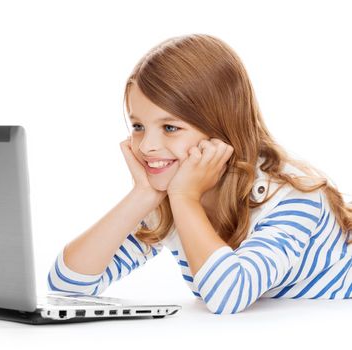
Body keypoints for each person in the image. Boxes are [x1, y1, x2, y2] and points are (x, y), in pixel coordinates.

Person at [46, 33, 352, 314]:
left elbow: (229, 296)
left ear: (221, 132)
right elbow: (67, 287)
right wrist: (142, 195)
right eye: (138, 126)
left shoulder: (292, 197)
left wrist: (185, 198)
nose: (148, 146)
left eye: (170, 128)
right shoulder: (170, 198)